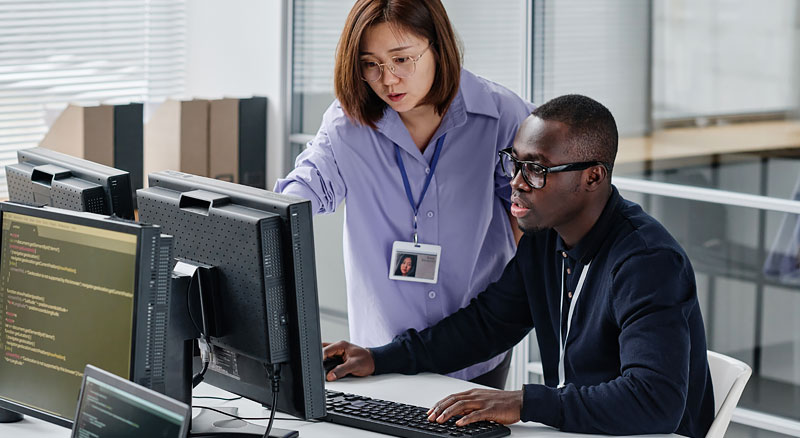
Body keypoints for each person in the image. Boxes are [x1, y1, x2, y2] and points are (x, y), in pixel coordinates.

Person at [321, 95, 716, 438]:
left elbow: (655, 400)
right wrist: (379, 357)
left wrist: (524, 402)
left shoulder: (647, 262)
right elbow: (486, 326)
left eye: (538, 170)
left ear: (593, 177)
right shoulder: (547, 239)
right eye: (515, 162)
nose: (517, 182)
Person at [275, 0, 534, 388]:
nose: (388, 79)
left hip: (473, 354)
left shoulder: (501, 115)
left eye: (401, 59)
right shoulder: (347, 125)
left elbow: (535, 211)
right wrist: (273, 217)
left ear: (438, 47)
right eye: (370, 64)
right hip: (380, 356)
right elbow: (307, 186)